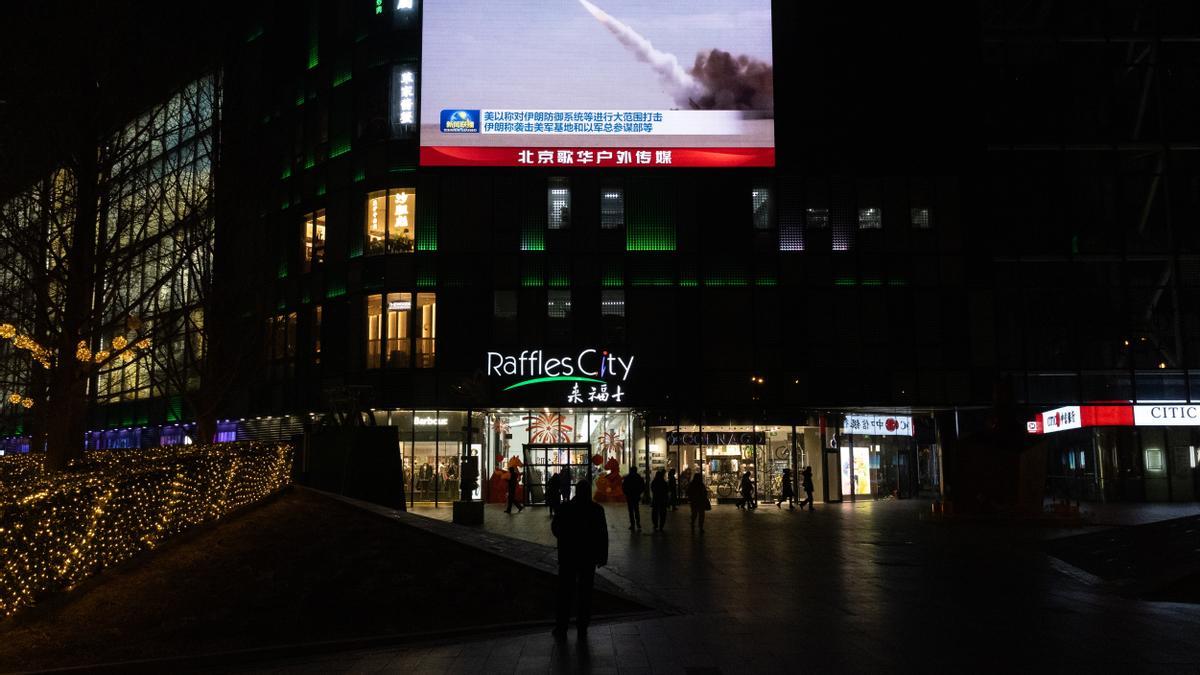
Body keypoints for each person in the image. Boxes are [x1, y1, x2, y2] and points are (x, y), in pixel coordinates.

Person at [551, 479, 608, 640]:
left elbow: (556, 528)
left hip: (568, 556)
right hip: (587, 557)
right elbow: (603, 535)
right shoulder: (596, 510)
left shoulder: (566, 508)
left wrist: (565, 540)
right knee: (585, 592)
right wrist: (602, 556)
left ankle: (562, 626)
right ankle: (582, 624)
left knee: (565, 591)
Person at [621, 465, 645, 531]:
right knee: (636, 510)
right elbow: (642, 486)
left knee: (631, 511)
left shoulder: (628, 477)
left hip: (629, 496)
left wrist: (626, 493)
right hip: (636, 496)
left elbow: (623, 486)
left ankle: (632, 524)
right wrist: (639, 493)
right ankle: (638, 524)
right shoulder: (638, 477)